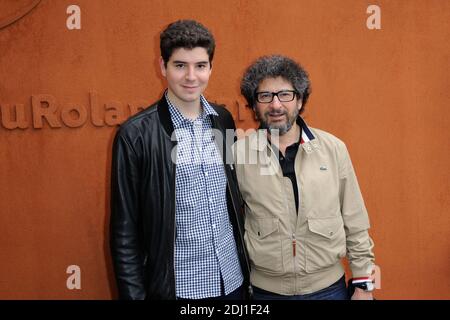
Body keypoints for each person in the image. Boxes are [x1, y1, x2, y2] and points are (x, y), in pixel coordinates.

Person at [110, 20, 251, 300]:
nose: (191, 76)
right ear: (162, 66)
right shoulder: (135, 134)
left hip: (232, 281)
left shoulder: (222, 121)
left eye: (200, 65)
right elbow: (124, 233)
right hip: (179, 290)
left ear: (210, 67)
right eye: (179, 65)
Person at [234, 55, 376, 300]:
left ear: (299, 100)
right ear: (254, 105)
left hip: (328, 289)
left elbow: (355, 220)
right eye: (265, 96)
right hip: (266, 292)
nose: (276, 105)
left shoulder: (333, 149)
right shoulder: (239, 155)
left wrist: (363, 284)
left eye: (285, 95)